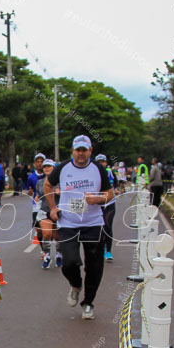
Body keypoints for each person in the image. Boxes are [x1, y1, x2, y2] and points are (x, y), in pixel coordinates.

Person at [45, 135, 113, 320]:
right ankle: (75, 285)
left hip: (93, 223)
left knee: (94, 267)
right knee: (69, 262)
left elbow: (110, 194)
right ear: (73, 151)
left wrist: (97, 199)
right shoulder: (63, 167)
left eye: (84, 150)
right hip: (68, 223)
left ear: (90, 151)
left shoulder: (98, 169)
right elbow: (48, 184)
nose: (81, 153)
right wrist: (52, 208)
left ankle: (88, 303)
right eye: (78, 150)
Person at [35, 159, 61, 269]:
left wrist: (60, 193)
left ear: (54, 168)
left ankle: (59, 255)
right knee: (46, 234)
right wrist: (36, 197)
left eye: (49, 166)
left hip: (58, 211)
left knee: (58, 237)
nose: (46, 168)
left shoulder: (60, 181)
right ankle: (47, 255)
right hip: (44, 210)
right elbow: (38, 195)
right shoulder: (40, 182)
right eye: (45, 166)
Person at [96, 154, 118, 261]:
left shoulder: (109, 172)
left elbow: (115, 184)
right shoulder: (92, 173)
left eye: (103, 162)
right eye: (99, 162)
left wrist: (116, 189)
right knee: (98, 228)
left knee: (107, 226)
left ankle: (108, 251)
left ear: (106, 163)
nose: (101, 164)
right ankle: (99, 248)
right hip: (97, 203)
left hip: (109, 202)